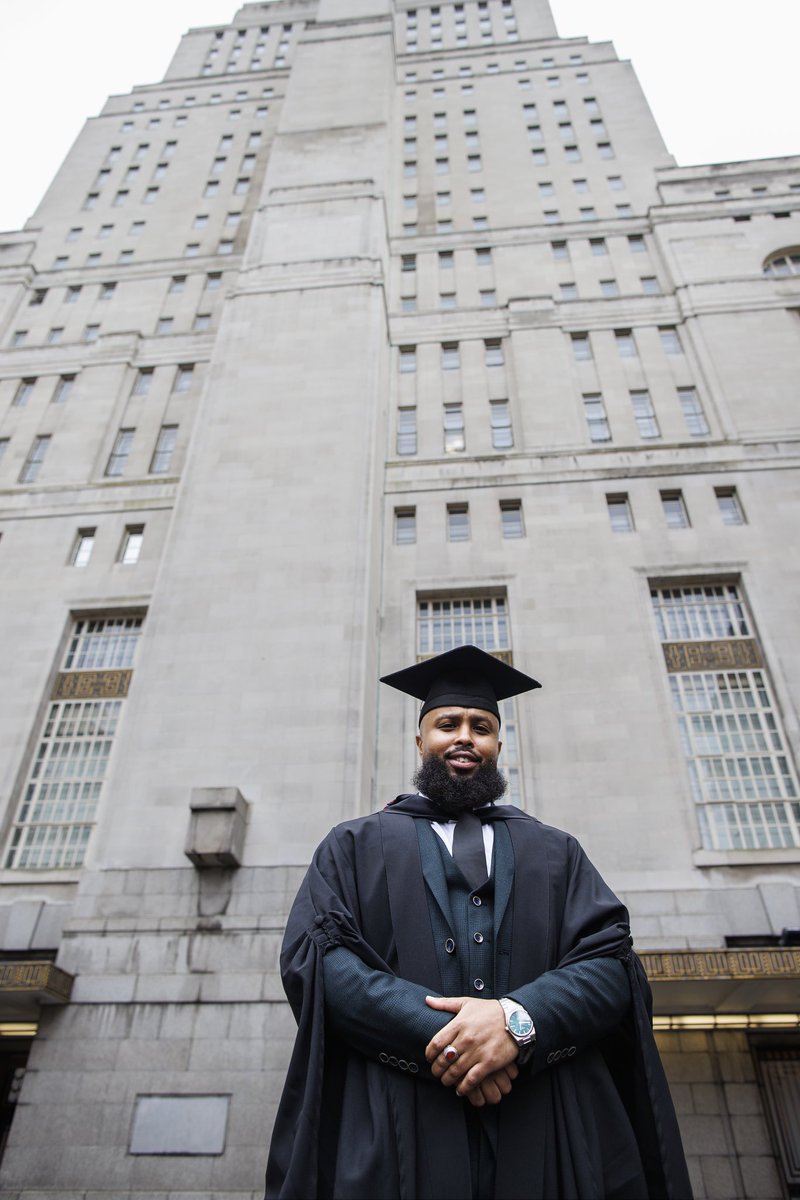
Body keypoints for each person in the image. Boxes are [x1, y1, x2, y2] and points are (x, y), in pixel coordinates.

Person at [265, 645, 691, 1200]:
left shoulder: (556, 851)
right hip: (396, 1127)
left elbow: (611, 965)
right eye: (448, 724)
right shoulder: (354, 844)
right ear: (421, 741)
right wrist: (458, 1043)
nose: (465, 736)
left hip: (547, 1126)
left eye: (482, 726)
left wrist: (518, 1023)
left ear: (496, 744)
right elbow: (320, 961)